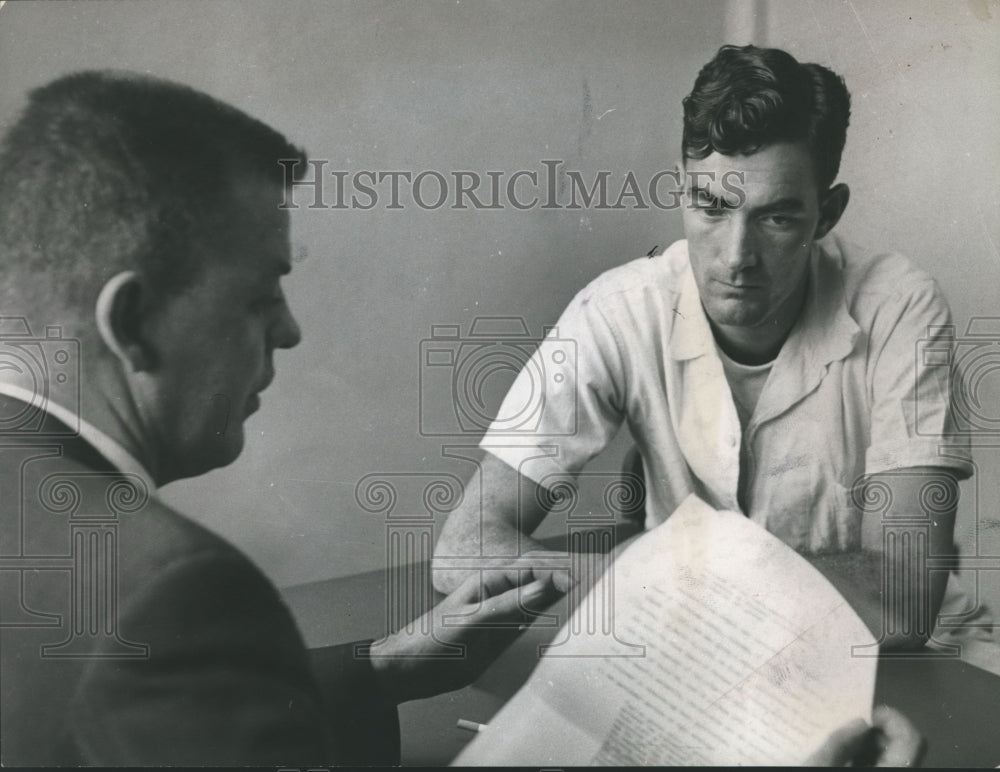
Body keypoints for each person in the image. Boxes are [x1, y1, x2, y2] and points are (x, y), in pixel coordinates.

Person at [0, 70, 570, 766]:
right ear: (133, 321)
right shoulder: (172, 587)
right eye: (261, 296)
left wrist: (382, 667)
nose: (291, 331)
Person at [433, 43, 994, 663]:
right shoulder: (618, 309)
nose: (736, 258)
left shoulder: (899, 307)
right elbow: (464, 547)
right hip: (696, 658)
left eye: (776, 218)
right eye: (712, 208)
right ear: (682, 194)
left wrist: (660, 582)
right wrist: (658, 587)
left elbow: (903, 602)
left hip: (893, 662)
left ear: (826, 214)